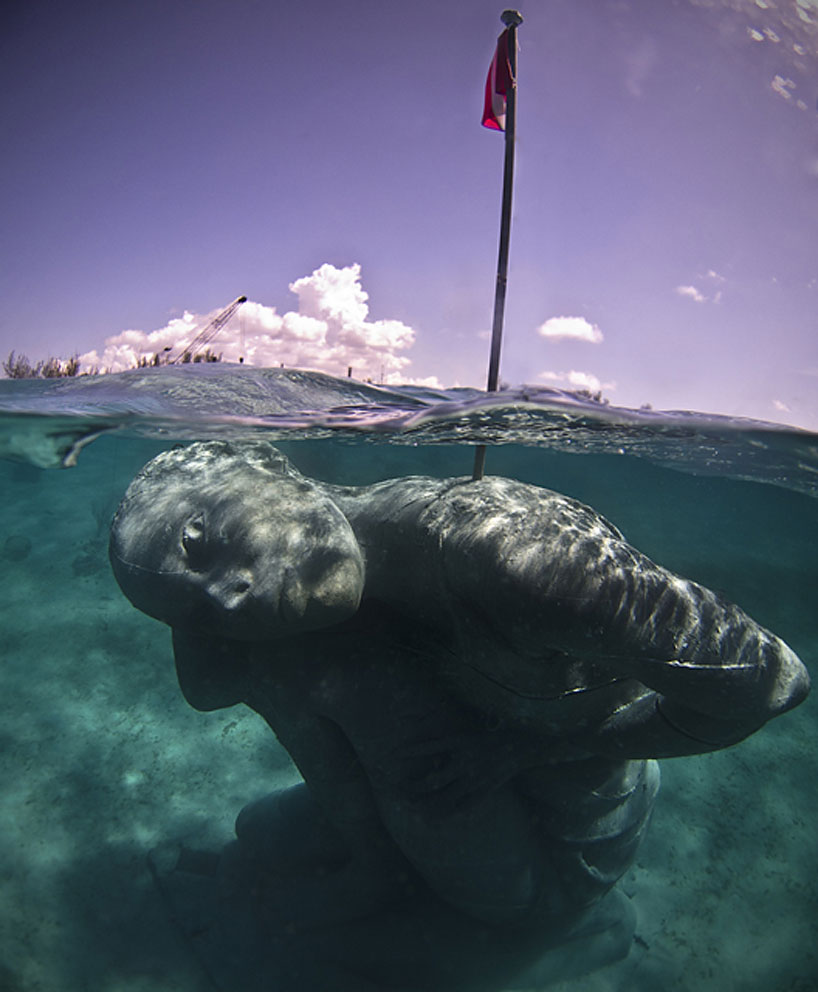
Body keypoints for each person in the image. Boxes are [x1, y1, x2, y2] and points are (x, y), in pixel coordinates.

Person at [110, 441, 809, 991]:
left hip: (562, 834)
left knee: (339, 946)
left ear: (262, 462)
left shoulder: (509, 555)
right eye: (197, 606)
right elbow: (206, 687)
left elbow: (770, 681)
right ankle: (379, 869)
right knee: (255, 825)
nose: (226, 600)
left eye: (199, 543)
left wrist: (522, 749)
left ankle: (572, 934)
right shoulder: (290, 584)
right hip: (439, 803)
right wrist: (184, 594)